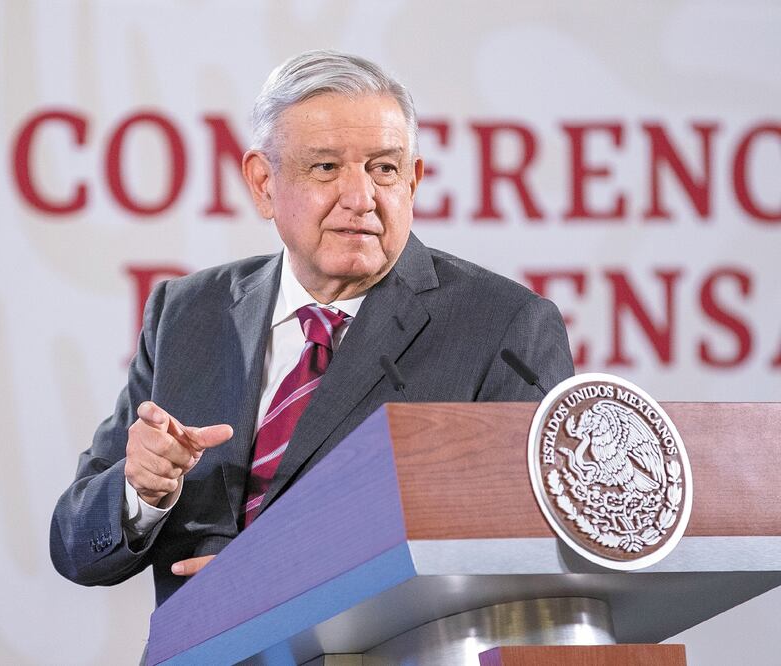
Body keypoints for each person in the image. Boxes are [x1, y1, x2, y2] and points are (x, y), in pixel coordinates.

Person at [50, 50, 574, 607]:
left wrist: (298, 574)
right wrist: (139, 490)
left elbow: (525, 549)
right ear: (263, 184)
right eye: (326, 167)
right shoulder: (188, 313)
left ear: (414, 181)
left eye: (384, 168)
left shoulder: (503, 327)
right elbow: (74, 546)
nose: (360, 198)